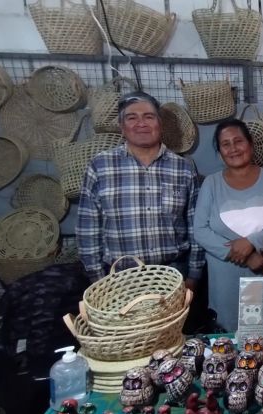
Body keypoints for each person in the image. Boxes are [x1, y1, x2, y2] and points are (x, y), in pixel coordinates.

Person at [76, 91, 204, 292]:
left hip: (173, 278)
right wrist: (99, 281)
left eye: (149, 117)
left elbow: (196, 225)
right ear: (122, 127)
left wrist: (194, 276)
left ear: (159, 124)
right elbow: (88, 229)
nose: (141, 123)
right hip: (119, 282)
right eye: (131, 118)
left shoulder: (184, 168)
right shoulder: (100, 166)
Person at [194, 119, 263, 331]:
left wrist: (252, 242)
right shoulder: (211, 183)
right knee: (230, 346)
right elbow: (201, 231)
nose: (233, 148)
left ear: (250, 144)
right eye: (225, 144)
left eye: (238, 141)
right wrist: (248, 255)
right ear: (220, 151)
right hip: (227, 284)